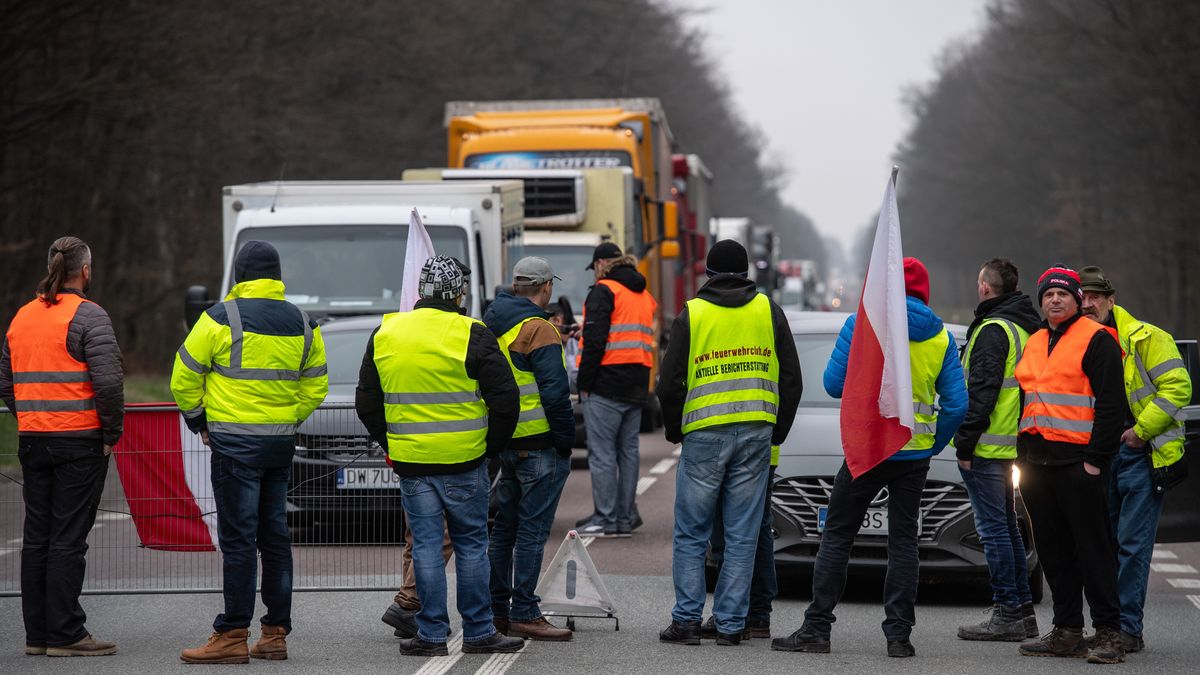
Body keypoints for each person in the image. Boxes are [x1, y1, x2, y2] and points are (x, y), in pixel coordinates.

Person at [772, 257, 967, 658]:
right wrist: (932, 444)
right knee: (903, 543)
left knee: (838, 536)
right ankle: (898, 636)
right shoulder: (942, 339)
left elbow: (831, 385)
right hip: (912, 456)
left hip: (867, 451)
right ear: (924, 292)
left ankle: (817, 628)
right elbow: (957, 405)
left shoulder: (861, 326)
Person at [356, 255, 523, 656]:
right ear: (458, 294)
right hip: (465, 459)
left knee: (427, 547)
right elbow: (506, 399)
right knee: (470, 545)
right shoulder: (472, 333)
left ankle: (431, 635)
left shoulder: (387, 331)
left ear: (421, 291)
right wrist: (490, 448)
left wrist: (392, 441)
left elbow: (366, 401)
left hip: (413, 462)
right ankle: (480, 631)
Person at [172, 240, 329, 663]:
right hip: (279, 447)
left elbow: (182, 378)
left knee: (240, 541)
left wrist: (200, 422)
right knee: (275, 538)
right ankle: (275, 635)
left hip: (234, 448)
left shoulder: (218, 318)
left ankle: (232, 635)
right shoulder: (303, 321)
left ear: (240, 275)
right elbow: (317, 385)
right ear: (277, 276)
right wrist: (286, 421)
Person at [656, 240, 803, 646]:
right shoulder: (768, 310)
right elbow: (791, 379)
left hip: (704, 433)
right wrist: (778, 431)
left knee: (691, 532)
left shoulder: (693, 313)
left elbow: (669, 383)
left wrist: (675, 430)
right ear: (745, 273)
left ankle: (686, 621)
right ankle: (731, 623)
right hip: (756, 431)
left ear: (708, 273)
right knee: (742, 532)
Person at [0, 236, 123, 657]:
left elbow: (6, 380)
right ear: (85, 271)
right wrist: (111, 434)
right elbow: (108, 382)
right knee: (68, 539)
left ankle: (38, 635)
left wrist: (31, 418)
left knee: (38, 537)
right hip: (80, 440)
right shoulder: (90, 316)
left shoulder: (22, 317)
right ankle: (67, 634)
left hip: (34, 440)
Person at [1012, 265, 1126, 664]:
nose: (1054, 300)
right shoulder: (1036, 340)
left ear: (1079, 301)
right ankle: (1067, 630)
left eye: (1063, 294)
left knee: (1093, 549)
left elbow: (1113, 407)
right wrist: (1021, 456)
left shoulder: (1097, 339)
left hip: (1079, 465)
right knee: (1054, 551)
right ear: (1041, 302)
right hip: (1037, 464)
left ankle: (1110, 632)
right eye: (1048, 295)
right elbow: (1026, 401)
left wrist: (1095, 462)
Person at [1079, 265, 1191, 654]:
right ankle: (1109, 628)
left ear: (1111, 300)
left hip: (1141, 454)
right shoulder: (1078, 341)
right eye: (1084, 297)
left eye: (1095, 297)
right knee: (1104, 543)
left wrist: (1140, 432)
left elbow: (1178, 387)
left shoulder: (1148, 337)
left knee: (1131, 544)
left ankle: (1128, 629)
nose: (1088, 303)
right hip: (1099, 455)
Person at [483, 257, 576, 641]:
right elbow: (555, 392)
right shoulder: (540, 329)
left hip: (506, 440)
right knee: (533, 533)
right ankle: (524, 611)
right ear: (545, 287)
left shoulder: (490, 323)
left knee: (504, 530)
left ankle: (496, 611)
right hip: (539, 445)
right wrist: (566, 440)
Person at [953, 259, 1043, 641]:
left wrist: (966, 441)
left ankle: (1008, 611)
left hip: (989, 445)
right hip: (1012, 443)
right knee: (1006, 527)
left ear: (986, 288)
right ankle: (1022, 610)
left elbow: (983, 392)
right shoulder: (1023, 326)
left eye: (979, 282)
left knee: (994, 530)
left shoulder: (993, 329)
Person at [576, 242, 656, 538]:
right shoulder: (643, 293)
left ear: (601, 264)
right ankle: (624, 516)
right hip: (637, 382)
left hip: (605, 384)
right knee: (628, 452)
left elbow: (596, 343)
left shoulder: (603, 290)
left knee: (602, 454)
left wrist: (584, 383)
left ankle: (605, 517)